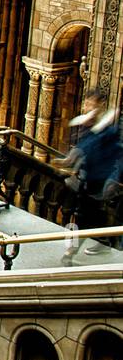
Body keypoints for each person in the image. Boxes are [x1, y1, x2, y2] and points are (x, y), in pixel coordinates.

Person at [60, 90, 122, 263]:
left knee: (83, 218)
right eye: (86, 103)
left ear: (100, 105)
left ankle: (70, 254)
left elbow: (103, 149)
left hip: (100, 181)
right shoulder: (91, 125)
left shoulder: (108, 129)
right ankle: (104, 242)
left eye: (90, 104)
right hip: (88, 180)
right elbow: (83, 145)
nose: (87, 108)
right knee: (93, 215)